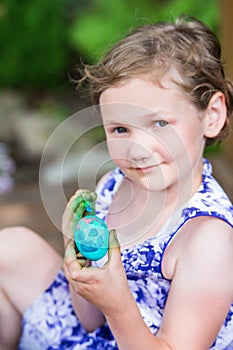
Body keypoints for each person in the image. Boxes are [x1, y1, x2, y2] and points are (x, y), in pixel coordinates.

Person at [0, 15, 233, 350]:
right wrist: (77, 252)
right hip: (99, 333)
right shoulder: (116, 184)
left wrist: (118, 304)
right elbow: (89, 319)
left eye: (159, 123)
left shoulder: (208, 240)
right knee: (10, 245)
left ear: (211, 116)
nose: (137, 150)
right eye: (120, 130)